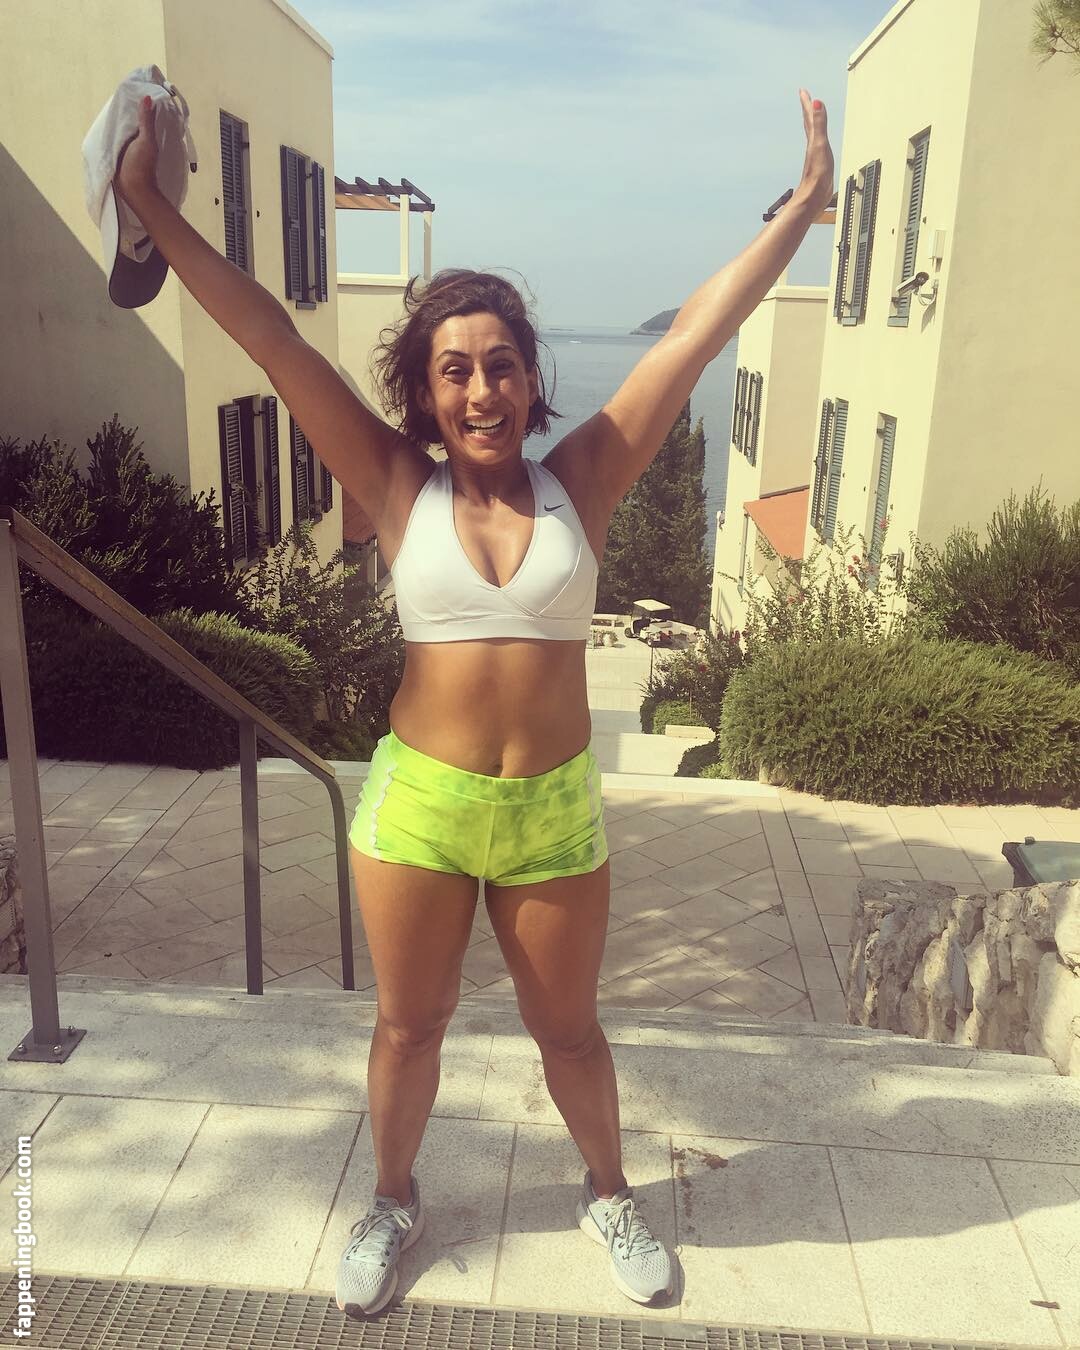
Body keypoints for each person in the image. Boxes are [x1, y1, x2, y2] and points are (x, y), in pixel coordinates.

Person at [114, 88, 834, 1318]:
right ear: (426, 392)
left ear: (530, 379)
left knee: (573, 1035)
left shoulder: (583, 479)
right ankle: (392, 1203)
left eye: (502, 365)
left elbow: (695, 336)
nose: (483, 388)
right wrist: (147, 206)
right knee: (409, 1028)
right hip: (421, 810)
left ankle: (607, 1192)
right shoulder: (399, 485)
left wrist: (804, 208)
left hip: (552, 811)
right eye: (456, 370)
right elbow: (272, 339)